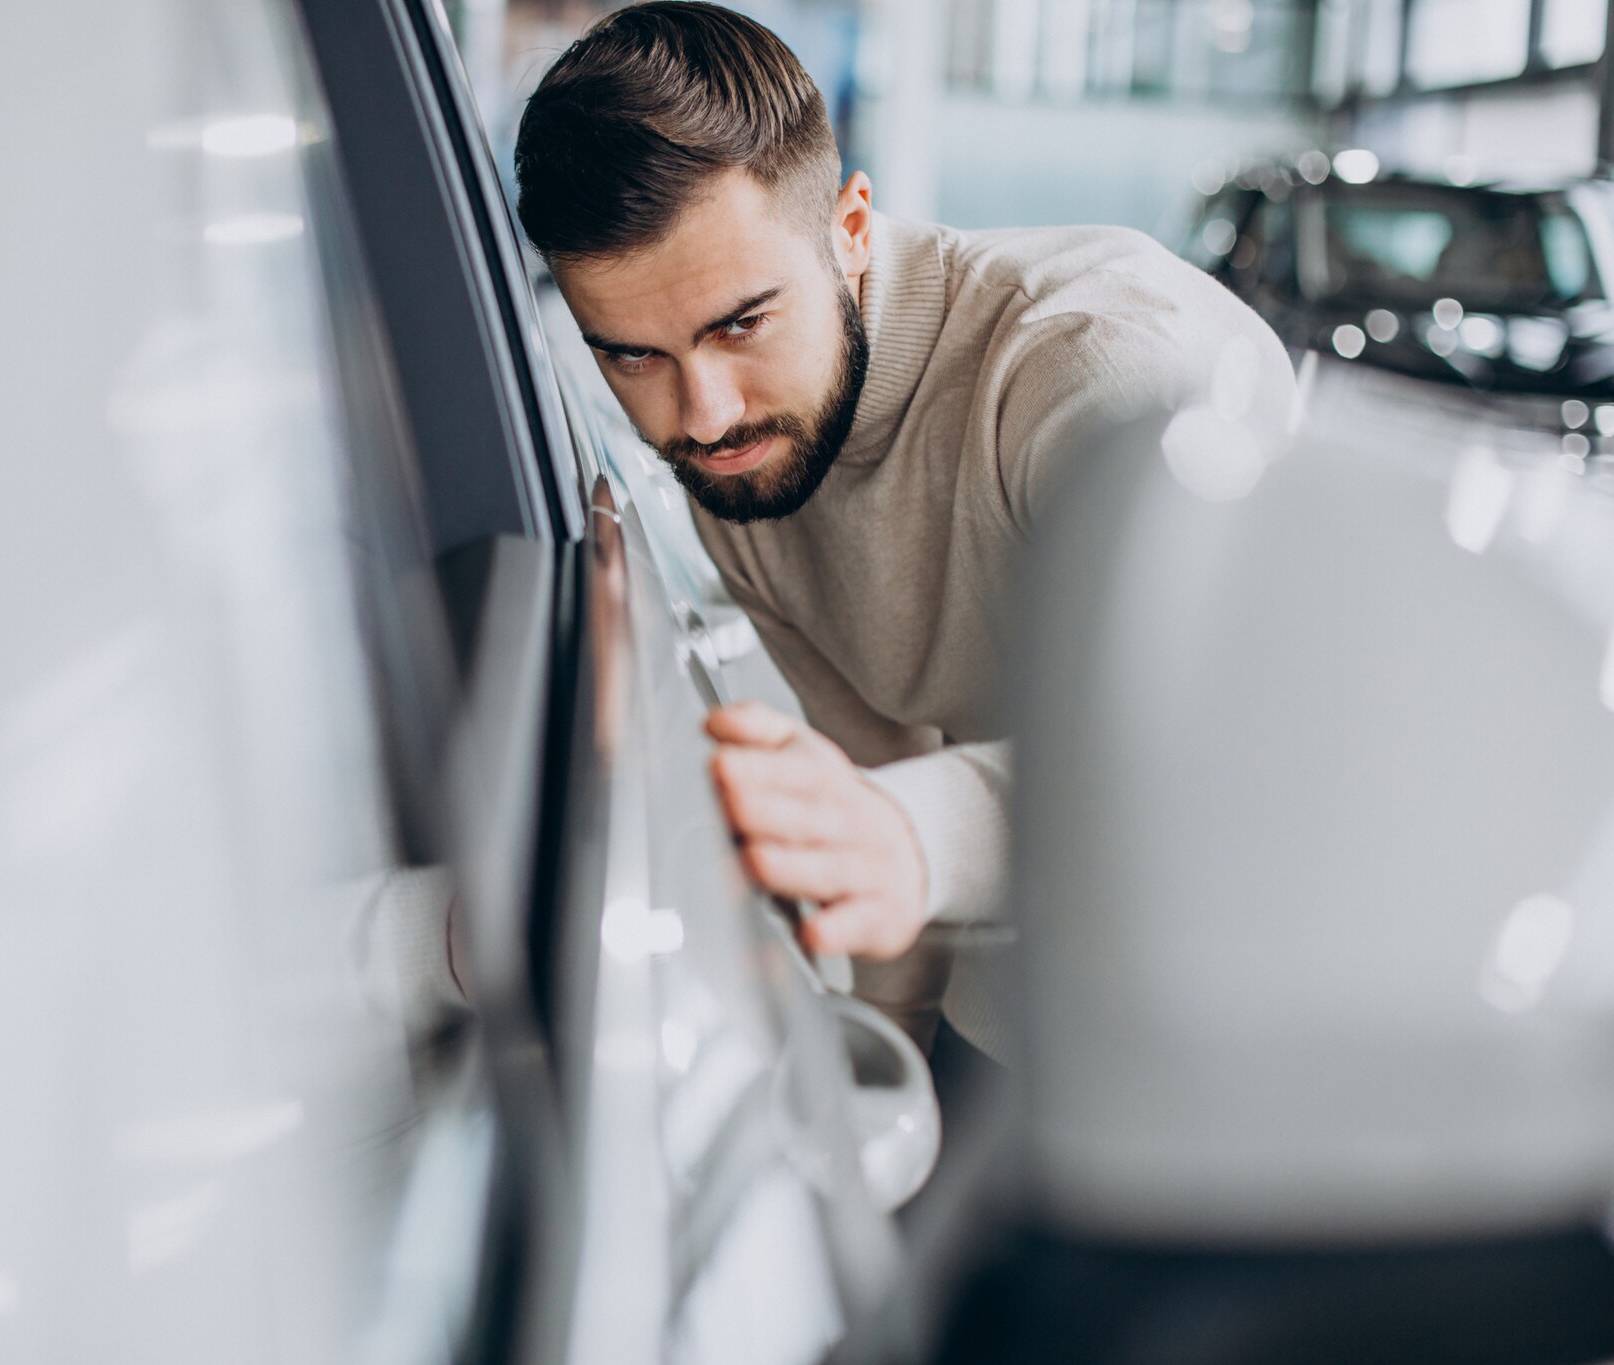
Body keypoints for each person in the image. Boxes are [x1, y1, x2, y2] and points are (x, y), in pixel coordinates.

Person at [513, 1, 1294, 1061]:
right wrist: (877, 1072)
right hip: (1024, 994)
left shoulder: (1097, 366)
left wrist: (915, 835)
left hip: (1261, 1016)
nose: (702, 414)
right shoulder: (746, 460)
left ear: (849, 230)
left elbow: (1228, 739)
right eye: (632, 355)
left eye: (741, 323)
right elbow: (876, 814)